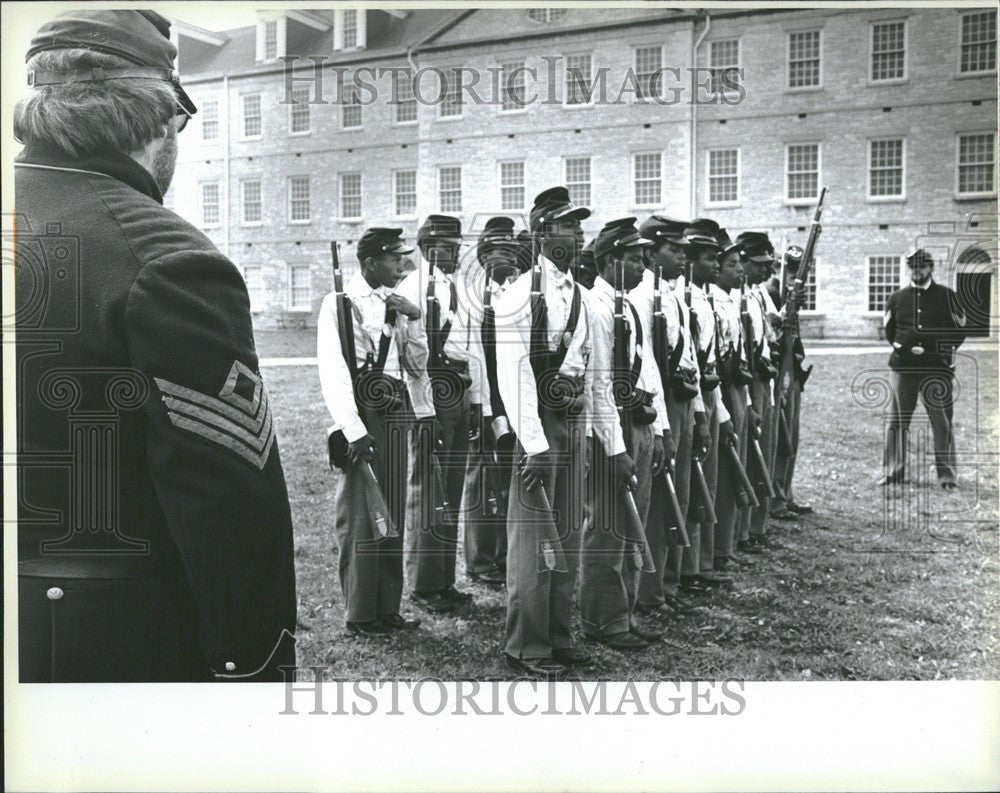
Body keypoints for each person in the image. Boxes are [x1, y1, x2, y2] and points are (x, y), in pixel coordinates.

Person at [14, 10, 295, 681]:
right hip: (110, 642)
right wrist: (253, 662)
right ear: (160, 118)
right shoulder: (165, 260)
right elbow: (228, 504)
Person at [495, 186, 594, 678]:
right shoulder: (518, 294)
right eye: (568, 224)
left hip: (568, 418)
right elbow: (513, 375)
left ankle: (558, 634)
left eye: (579, 224)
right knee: (536, 541)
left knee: (568, 534)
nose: (578, 232)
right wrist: (534, 443)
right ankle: (526, 645)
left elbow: (584, 364)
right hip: (534, 426)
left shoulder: (577, 293)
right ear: (541, 233)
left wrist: (582, 414)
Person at [317, 228, 425, 636]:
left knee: (391, 510)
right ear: (369, 263)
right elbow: (334, 371)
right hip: (363, 415)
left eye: (403, 258)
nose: (402, 265)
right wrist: (353, 429)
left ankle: (387, 607)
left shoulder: (396, 304)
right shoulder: (341, 304)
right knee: (364, 514)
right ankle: (360, 613)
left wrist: (414, 320)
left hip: (395, 410)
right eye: (394, 258)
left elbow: (415, 365)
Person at [581, 217, 663, 651]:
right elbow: (596, 382)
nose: (642, 267)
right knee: (608, 522)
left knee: (635, 519)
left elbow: (643, 366)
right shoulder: (593, 306)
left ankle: (624, 613)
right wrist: (614, 447)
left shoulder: (628, 306)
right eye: (634, 259)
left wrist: (657, 424)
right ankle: (602, 618)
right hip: (608, 426)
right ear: (610, 261)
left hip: (637, 418)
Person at [396, 215, 479, 613]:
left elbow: (471, 347)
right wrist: (423, 410)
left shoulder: (455, 286)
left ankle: (445, 579)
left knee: (452, 488)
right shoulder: (413, 288)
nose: (457, 252)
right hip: (433, 394)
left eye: (458, 245)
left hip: (459, 390)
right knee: (429, 490)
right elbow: (412, 358)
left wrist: (476, 402)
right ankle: (425, 585)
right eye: (450, 246)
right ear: (429, 247)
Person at [633, 215, 703, 619]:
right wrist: (662, 422)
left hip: (680, 399)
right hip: (657, 404)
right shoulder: (642, 297)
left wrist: (695, 410)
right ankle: (649, 590)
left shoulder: (672, 296)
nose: (682, 257)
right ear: (651, 251)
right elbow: (648, 368)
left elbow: (686, 352)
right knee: (657, 499)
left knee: (677, 491)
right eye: (674, 250)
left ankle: (667, 583)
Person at [462, 217, 521, 586]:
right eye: (502, 250)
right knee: (482, 479)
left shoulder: (517, 292)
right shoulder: (470, 295)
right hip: (486, 394)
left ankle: (505, 554)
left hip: (516, 393)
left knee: (510, 478)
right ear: (484, 255)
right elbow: (470, 353)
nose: (511, 257)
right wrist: (483, 406)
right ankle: (481, 560)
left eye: (513, 249)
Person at [680, 220, 738, 592]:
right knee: (690, 486)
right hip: (694, 397)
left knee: (706, 484)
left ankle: (699, 562)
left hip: (711, 394)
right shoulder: (685, 298)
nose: (716, 265)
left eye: (719, 258)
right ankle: (685, 569)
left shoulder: (706, 298)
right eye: (709, 258)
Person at [880, 249, 967, 490]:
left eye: (922, 266)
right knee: (896, 420)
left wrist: (938, 353)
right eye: (913, 266)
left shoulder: (947, 296)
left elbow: (959, 330)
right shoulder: (897, 298)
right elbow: (890, 329)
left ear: (931, 267)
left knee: (942, 422)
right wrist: (903, 348)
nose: (917, 271)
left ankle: (947, 477)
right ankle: (892, 472)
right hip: (903, 367)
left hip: (936, 369)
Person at [709, 230, 756, 573]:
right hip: (719, 387)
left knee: (734, 463)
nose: (739, 270)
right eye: (731, 264)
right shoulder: (710, 300)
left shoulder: (728, 299)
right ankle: (717, 549)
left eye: (740, 264)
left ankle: (727, 544)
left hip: (734, 384)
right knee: (723, 471)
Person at [736, 232, 779, 553]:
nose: (764, 270)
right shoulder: (735, 297)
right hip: (746, 381)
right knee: (748, 455)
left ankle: (756, 524)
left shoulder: (757, 295)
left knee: (763, 449)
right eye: (756, 264)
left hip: (763, 377)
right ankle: (742, 530)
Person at [770, 245, 814, 518]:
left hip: (793, 370)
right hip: (777, 373)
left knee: (792, 437)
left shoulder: (791, 295)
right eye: (788, 269)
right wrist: (788, 305)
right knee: (781, 435)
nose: (793, 276)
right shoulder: (771, 294)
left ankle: (785, 493)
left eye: (798, 270)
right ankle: (775, 497)